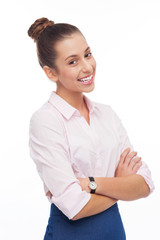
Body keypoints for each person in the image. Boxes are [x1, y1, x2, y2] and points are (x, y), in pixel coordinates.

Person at [28, 17, 154, 240]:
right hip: (71, 234)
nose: (87, 67)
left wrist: (91, 184)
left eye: (87, 54)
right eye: (72, 62)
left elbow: (144, 184)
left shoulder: (106, 115)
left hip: (114, 231)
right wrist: (120, 186)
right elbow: (74, 206)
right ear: (51, 73)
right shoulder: (46, 121)